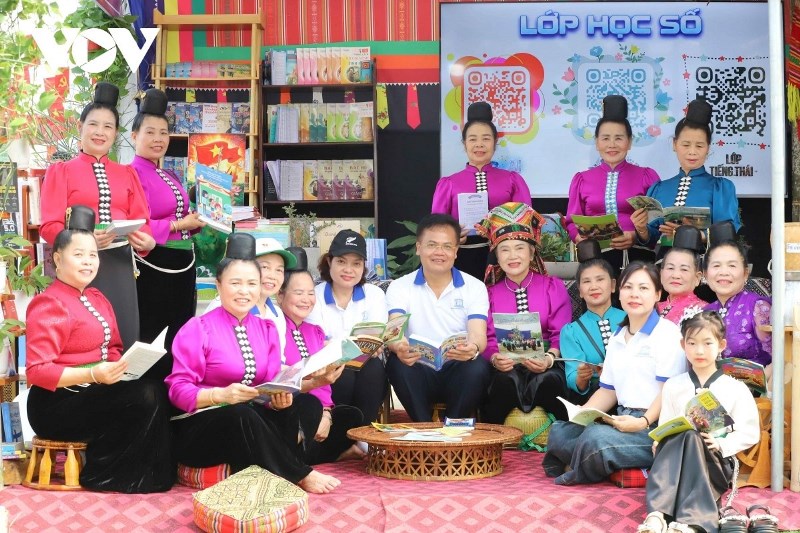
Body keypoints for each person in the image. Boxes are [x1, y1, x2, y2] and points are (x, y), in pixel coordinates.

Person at [166, 233, 341, 494]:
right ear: (219, 285)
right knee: (240, 413)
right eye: (235, 283)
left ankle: (268, 470)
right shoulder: (198, 328)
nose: (244, 291)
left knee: (304, 405)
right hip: (202, 429)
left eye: (251, 283)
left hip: (250, 420)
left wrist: (278, 399)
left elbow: (270, 383)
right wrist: (219, 395)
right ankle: (297, 473)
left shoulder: (267, 329)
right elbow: (177, 391)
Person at [26, 205, 174, 493]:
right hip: (55, 404)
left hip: (96, 391)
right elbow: (38, 372)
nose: (88, 262)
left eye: (93, 255)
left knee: (159, 382)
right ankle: (105, 474)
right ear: (58, 259)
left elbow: (114, 349)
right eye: (78, 254)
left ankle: (151, 475)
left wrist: (123, 369)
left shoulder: (97, 298)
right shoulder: (49, 303)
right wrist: (94, 374)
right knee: (145, 394)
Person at [543, 262, 686, 485]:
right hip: (620, 419)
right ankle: (597, 461)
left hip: (655, 426)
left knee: (596, 439)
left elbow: (669, 391)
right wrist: (582, 413)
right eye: (628, 287)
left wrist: (642, 422)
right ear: (619, 292)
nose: (634, 294)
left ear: (658, 294)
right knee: (561, 430)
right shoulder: (618, 336)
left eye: (643, 288)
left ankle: (579, 467)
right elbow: (608, 390)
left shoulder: (667, 333)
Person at [40, 82, 154, 350]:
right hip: (78, 266)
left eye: (108, 126)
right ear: (80, 127)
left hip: (120, 264)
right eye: (93, 124)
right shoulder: (61, 171)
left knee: (124, 332)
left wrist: (147, 242)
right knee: (84, 337)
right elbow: (49, 226)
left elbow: (144, 223)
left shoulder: (127, 174)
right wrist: (85, 241)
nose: (100, 132)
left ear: (116, 133)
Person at [638, 311, 759, 533]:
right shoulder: (673, 385)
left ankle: (660, 514)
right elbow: (666, 425)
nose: (699, 351)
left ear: (721, 345)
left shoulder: (735, 387)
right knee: (685, 435)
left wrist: (721, 443)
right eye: (692, 343)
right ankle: (676, 520)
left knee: (692, 437)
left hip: (715, 461)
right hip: (676, 460)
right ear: (683, 345)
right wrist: (659, 442)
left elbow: (750, 431)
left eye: (707, 343)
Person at [130, 88, 206, 380]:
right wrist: (179, 225)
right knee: (154, 334)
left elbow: (181, 218)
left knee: (180, 334)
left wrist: (197, 221)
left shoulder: (168, 173)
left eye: (163, 133)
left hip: (182, 264)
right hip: (156, 263)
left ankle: (179, 389)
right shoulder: (132, 174)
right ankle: (153, 393)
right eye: (150, 132)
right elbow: (137, 224)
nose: (158, 139)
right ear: (134, 136)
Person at [385, 213, 491, 422]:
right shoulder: (399, 286)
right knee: (398, 364)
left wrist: (473, 348)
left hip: (457, 366)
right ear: (419, 247)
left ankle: (453, 427)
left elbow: (478, 334)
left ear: (456, 251)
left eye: (447, 246)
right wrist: (400, 347)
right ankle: (424, 427)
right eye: (432, 245)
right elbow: (393, 331)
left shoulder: (475, 287)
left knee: (477, 366)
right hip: (418, 366)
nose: (439, 252)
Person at [475, 202, 572, 423]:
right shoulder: (487, 293)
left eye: (519, 248)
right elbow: (486, 336)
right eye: (504, 249)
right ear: (496, 255)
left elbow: (561, 332)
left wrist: (548, 358)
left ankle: (553, 434)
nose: (513, 256)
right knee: (505, 382)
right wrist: (495, 359)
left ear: (531, 252)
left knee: (547, 381)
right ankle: (500, 436)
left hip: (547, 363)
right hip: (504, 366)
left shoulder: (552, 287)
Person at [279, 251, 365, 464]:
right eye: (299, 293)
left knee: (351, 415)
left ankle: (313, 455)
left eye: (310, 293)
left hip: (316, 409)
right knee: (308, 405)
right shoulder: (274, 328)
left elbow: (324, 384)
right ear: (280, 295)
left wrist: (326, 413)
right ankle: (301, 460)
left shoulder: (315, 331)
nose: (306, 299)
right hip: (286, 407)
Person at [431, 102, 532, 279]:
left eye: (486, 139)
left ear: (495, 142)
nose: (479, 144)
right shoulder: (449, 183)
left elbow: (525, 221)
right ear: (464, 144)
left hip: (504, 261)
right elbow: (436, 227)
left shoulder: (512, 180)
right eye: (472, 139)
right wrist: (452, 235)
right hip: (460, 259)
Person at [566, 95, 659, 273]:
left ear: (629, 142)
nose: (612, 145)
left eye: (619, 138)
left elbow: (657, 222)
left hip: (639, 260)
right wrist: (580, 239)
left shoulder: (646, 176)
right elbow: (571, 221)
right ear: (596, 142)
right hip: (596, 260)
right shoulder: (582, 179)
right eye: (606, 138)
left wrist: (636, 235)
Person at [635, 98, 741, 251]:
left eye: (699, 146)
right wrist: (641, 229)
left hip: (702, 260)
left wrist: (695, 234)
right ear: (674, 144)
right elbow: (651, 238)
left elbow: (727, 233)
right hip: (665, 261)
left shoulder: (719, 188)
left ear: (708, 148)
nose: (692, 152)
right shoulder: (659, 188)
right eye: (685, 145)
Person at [307, 229, 388, 424]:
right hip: (328, 367)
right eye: (342, 262)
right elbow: (317, 343)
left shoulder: (374, 295)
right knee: (342, 372)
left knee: (373, 368)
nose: (348, 270)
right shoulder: (314, 295)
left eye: (356, 264)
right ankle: (338, 433)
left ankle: (363, 434)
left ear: (364, 267)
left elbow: (377, 338)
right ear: (329, 262)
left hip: (367, 365)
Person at [205, 237, 297, 358]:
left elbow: (278, 361)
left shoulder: (277, 314)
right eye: (265, 267)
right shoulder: (223, 305)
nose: (272, 276)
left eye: (279, 270)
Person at [561, 239, 627, 400]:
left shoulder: (630, 319)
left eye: (600, 279)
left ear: (613, 285)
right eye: (586, 281)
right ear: (580, 290)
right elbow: (573, 377)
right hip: (595, 398)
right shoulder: (571, 332)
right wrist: (581, 377)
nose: (593, 286)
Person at [703, 222, 772, 372]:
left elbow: (779, 357)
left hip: (755, 385)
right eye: (716, 266)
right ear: (705, 274)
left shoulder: (758, 307)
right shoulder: (705, 312)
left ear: (745, 273)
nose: (723, 272)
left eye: (732, 266)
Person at [656, 225, 708, 325]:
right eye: (670, 268)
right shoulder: (652, 308)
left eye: (684, 269)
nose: (676, 275)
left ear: (697, 278)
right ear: (661, 273)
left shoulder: (703, 312)